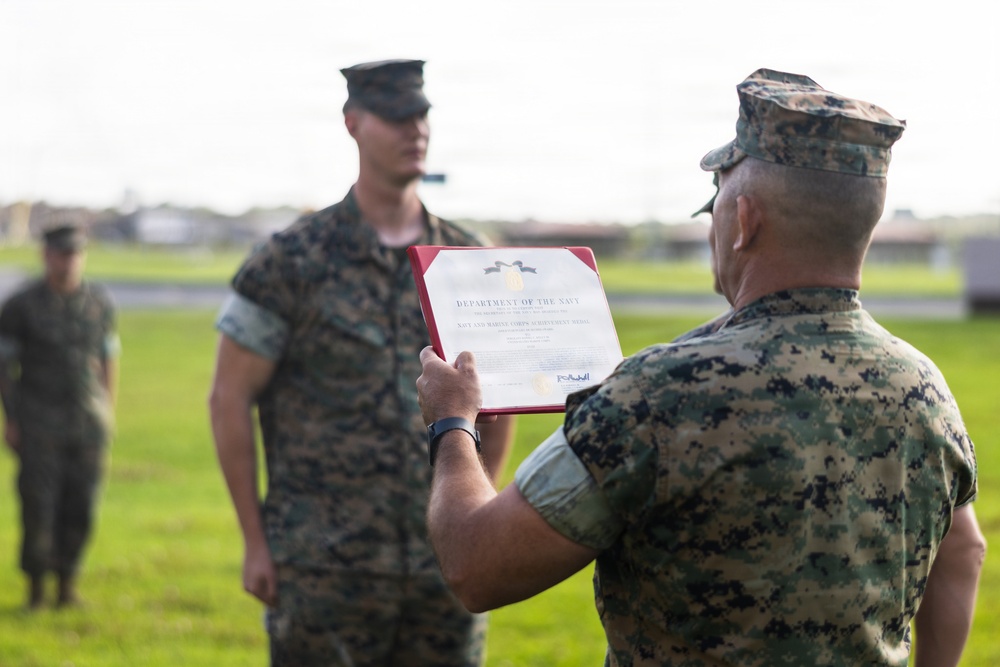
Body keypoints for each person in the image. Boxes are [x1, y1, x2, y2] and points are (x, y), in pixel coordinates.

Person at [415, 68, 986, 666]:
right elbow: (964, 553)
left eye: (713, 204)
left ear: (745, 222)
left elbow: (477, 566)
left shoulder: (657, 394)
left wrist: (452, 424)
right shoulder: (923, 387)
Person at [208, 59, 515, 666]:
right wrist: (255, 541)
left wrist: (480, 519)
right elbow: (229, 399)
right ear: (353, 124)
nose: (415, 130)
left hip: (440, 566)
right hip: (324, 567)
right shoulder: (291, 260)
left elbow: (496, 402)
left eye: (422, 115)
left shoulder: (466, 259)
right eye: (397, 116)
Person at [0, 223, 119, 609]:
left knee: (80, 506)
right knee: (39, 507)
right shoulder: (21, 306)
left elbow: (108, 356)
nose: (67, 262)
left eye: (74, 254)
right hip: (39, 423)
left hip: (87, 424)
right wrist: (12, 419)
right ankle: (36, 591)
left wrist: (108, 409)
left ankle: (67, 586)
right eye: (60, 254)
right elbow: (5, 368)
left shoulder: (98, 302)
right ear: (46, 255)